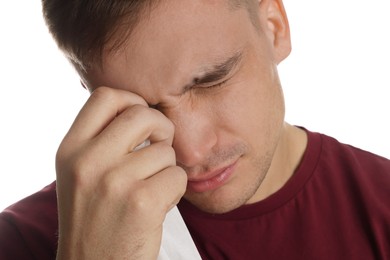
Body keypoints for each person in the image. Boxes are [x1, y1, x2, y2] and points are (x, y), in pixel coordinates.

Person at [0, 0, 389, 259]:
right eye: (141, 107)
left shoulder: (381, 202)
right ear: (88, 90)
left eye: (210, 81)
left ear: (274, 27)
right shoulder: (21, 240)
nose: (190, 152)